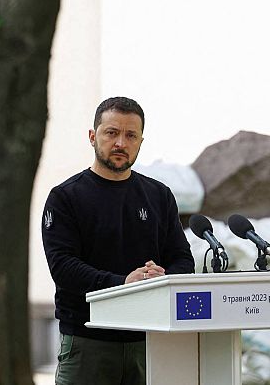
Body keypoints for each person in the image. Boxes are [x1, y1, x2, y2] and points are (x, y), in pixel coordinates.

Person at [41, 97, 194, 385]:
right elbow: (62, 266)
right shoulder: (65, 197)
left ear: (140, 142)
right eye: (111, 133)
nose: (121, 143)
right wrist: (124, 283)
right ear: (92, 136)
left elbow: (183, 260)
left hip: (149, 340)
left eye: (131, 135)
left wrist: (162, 279)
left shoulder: (159, 196)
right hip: (87, 341)